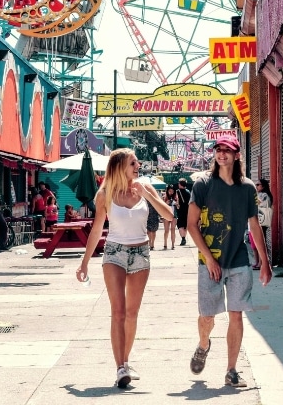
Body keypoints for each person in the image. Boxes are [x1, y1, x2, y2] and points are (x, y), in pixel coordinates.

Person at [76, 148, 174, 389]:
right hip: (114, 254)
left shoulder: (145, 188)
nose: (138, 166)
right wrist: (85, 262)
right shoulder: (105, 194)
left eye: (137, 163)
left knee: (132, 313)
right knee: (118, 311)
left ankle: (126, 361)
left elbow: (169, 215)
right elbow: (97, 229)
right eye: (133, 163)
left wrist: (147, 195)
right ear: (120, 166)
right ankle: (120, 367)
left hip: (141, 253)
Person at [187, 136, 272, 388]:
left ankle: (231, 370)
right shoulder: (203, 184)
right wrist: (210, 259)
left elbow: (254, 225)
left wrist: (265, 261)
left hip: (238, 260)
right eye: (218, 149)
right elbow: (192, 225)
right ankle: (204, 344)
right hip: (209, 261)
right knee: (208, 316)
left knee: (236, 315)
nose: (222, 154)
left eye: (227, 150)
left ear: (237, 155)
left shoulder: (247, 188)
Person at [249, 178, 273, 270]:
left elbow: (254, 203)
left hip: (261, 222)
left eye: (258, 185)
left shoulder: (264, 195)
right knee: (254, 242)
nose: (256, 186)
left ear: (263, 186)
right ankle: (257, 262)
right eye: (256, 184)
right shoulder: (259, 194)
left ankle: (261, 263)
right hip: (256, 221)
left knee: (260, 242)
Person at [176, 178, 191, 246]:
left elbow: (177, 201)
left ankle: (183, 238)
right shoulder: (188, 192)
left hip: (180, 210)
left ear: (180, 184)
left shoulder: (177, 192)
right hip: (188, 210)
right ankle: (184, 237)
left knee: (180, 225)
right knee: (185, 225)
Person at [162, 184, 178, 250]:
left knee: (173, 229)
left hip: (174, 214)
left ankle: (173, 244)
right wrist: (166, 203)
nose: (171, 192)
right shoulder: (164, 197)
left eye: (172, 191)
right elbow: (162, 206)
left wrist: (176, 204)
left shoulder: (176, 197)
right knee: (166, 230)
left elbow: (178, 206)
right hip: (166, 214)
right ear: (167, 191)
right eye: (170, 191)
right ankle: (165, 244)